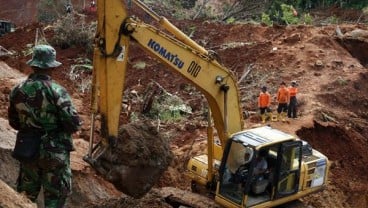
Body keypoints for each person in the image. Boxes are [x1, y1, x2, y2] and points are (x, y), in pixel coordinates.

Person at [8, 44, 82, 208]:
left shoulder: (17, 90)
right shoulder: (57, 91)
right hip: (54, 152)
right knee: (55, 198)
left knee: (25, 198)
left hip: (28, 150)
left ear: (33, 65)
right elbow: (73, 123)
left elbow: (13, 122)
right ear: (51, 68)